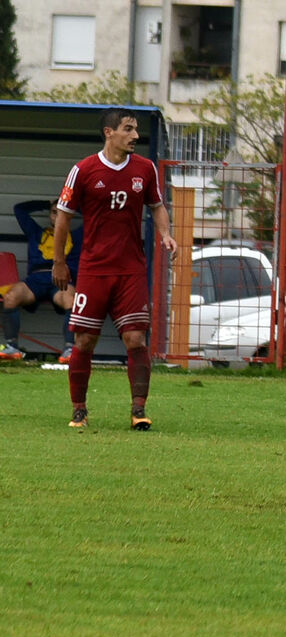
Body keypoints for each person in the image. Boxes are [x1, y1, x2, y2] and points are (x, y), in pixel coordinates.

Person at [52, 107, 177, 430]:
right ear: (110, 133)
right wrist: (60, 262)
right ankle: (79, 409)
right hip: (94, 270)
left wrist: (165, 234)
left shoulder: (145, 169)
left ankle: (139, 410)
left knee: (136, 339)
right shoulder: (83, 170)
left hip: (131, 270)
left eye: (136, 129)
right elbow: (63, 217)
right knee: (84, 342)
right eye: (128, 129)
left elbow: (157, 206)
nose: (135, 135)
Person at [0, 199, 83, 362]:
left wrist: (72, 207)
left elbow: (92, 217)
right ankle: (12, 348)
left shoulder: (77, 236)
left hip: (61, 281)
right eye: (54, 212)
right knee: (10, 298)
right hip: (36, 280)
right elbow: (19, 209)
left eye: (62, 213)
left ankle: (69, 349)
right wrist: (44, 204)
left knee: (72, 301)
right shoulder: (36, 232)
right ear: (49, 215)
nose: (58, 216)